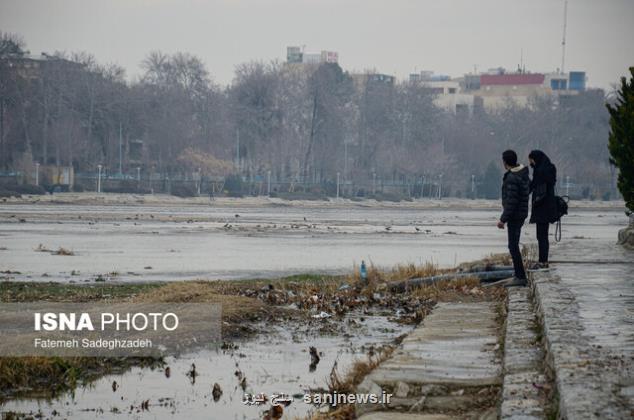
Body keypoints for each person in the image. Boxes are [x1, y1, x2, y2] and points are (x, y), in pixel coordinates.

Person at [497, 150, 530, 287]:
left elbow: (512, 201)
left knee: (513, 246)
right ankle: (518, 274)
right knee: (514, 245)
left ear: (505, 162)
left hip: (515, 215)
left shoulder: (512, 178)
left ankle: (520, 276)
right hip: (521, 213)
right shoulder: (523, 174)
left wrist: (502, 219)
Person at [528, 150, 557, 269]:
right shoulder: (550, 168)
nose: (530, 163)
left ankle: (543, 261)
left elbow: (534, 186)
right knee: (543, 235)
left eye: (531, 160)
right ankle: (543, 260)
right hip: (549, 206)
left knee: (541, 236)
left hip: (541, 207)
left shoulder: (540, 171)